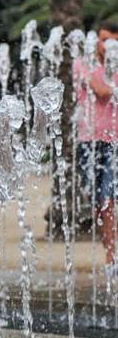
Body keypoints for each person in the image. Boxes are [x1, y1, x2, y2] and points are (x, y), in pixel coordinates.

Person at [73, 21, 118, 268]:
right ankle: (111, 250)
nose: (107, 45)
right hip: (88, 141)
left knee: (108, 197)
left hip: (115, 142)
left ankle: (112, 259)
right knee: (98, 204)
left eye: (112, 40)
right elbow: (100, 91)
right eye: (103, 39)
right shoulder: (82, 64)